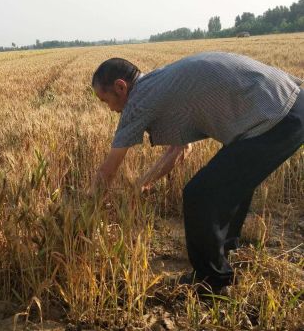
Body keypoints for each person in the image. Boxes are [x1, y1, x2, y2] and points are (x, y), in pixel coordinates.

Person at [90, 52, 304, 292]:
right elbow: (180, 150)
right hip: (291, 106)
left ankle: (212, 280)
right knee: (231, 181)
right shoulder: (158, 83)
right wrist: (141, 185)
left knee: (199, 195)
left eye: (105, 100)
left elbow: (108, 171)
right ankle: (225, 250)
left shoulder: (139, 100)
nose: (109, 109)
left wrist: (88, 208)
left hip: (277, 117)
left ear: (120, 87)